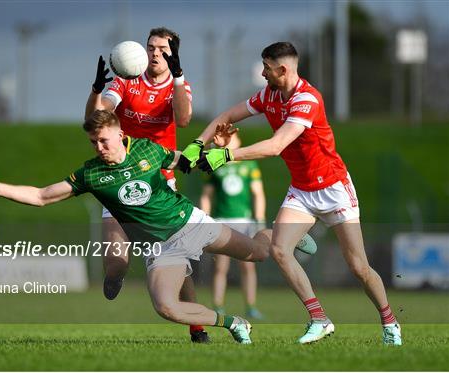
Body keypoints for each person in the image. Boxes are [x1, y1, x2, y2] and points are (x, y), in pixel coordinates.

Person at [0, 110, 274, 345]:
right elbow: (42, 196)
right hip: (161, 248)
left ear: (119, 133)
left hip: (191, 224)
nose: (99, 147)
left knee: (258, 253)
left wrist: (213, 150)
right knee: (166, 306)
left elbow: (187, 163)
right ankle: (235, 323)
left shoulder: (148, 150)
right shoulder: (91, 173)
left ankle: (282, 236)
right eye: (93, 142)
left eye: (104, 140)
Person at [179, 42, 402, 346]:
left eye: (266, 67)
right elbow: (229, 114)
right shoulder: (269, 95)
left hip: (334, 189)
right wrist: (198, 142)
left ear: (282, 70)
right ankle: (320, 319)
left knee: (359, 267)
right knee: (281, 250)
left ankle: (390, 322)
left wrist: (226, 156)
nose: (262, 72)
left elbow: (275, 146)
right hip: (302, 190)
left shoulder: (306, 100)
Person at [84, 27, 208, 342]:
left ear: (173, 54)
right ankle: (114, 278)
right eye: (150, 46)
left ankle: (198, 328)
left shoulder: (179, 85)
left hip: (160, 183)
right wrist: (96, 90)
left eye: (162, 48)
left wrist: (178, 77)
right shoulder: (126, 80)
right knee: (116, 263)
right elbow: (98, 118)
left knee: (179, 263)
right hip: (119, 179)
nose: (154, 52)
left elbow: (182, 120)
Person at [199, 132, 266, 320]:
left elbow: (258, 193)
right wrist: (205, 218)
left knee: (248, 266)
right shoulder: (216, 165)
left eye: (233, 138)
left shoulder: (249, 164)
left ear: (239, 140)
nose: (228, 141)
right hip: (221, 221)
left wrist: (259, 219)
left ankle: (251, 306)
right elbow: (206, 195)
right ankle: (218, 306)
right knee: (221, 267)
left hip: (244, 221)